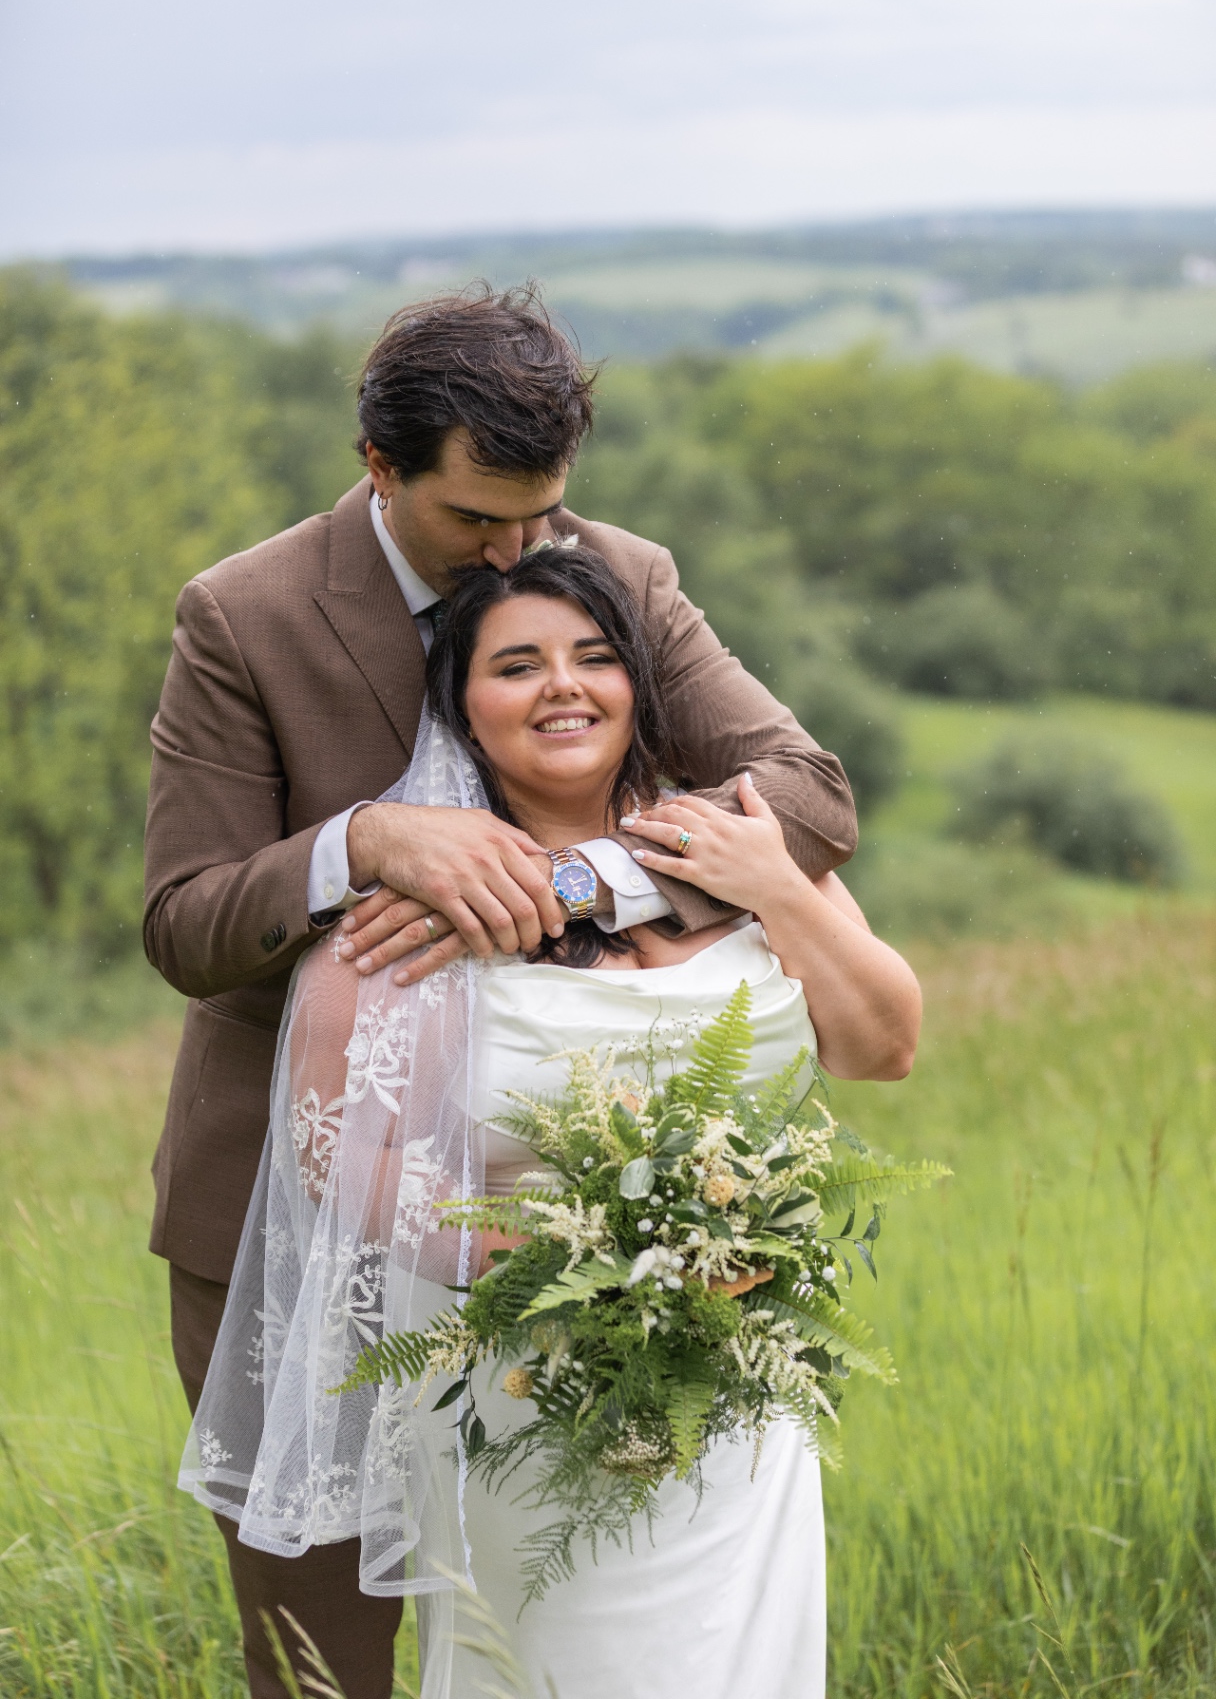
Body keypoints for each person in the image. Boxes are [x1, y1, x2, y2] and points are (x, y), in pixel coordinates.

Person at [144, 285, 859, 1699]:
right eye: (478, 521)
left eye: (540, 514)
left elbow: (808, 795)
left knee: (558, 1634)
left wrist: (595, 882)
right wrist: (361, 845)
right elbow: (184, 923)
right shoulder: (244, 614)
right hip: (297, 1232)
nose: (518, 553)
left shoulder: (621, 575)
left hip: (571, 1262)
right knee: (319, 1665)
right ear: (379, 467)